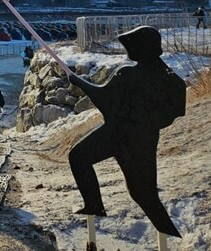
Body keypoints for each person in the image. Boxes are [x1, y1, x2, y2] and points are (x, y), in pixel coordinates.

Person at [67, 25, 185, 237]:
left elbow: (105, 99)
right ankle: (167, 233)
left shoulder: (128, 74)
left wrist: (79, 82)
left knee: (79, 157)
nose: (127, 50)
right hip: (143, 138)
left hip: (117, 134)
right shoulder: (170, 77)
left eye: (130, 45)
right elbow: (174, 110)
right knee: (143, 193)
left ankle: (95, 204)